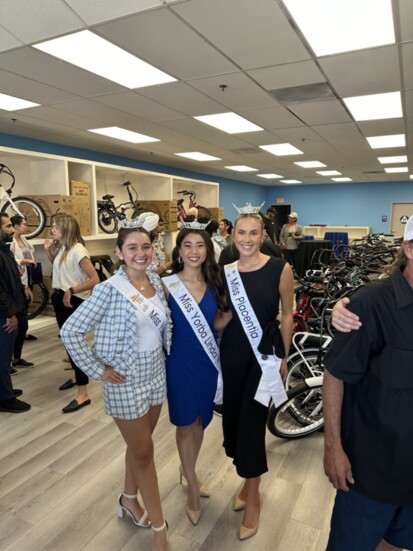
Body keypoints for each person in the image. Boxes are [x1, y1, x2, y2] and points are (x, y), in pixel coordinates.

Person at [61, 225, 171, 550]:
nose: (141, 253)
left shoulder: (157, 284)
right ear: (119, 253)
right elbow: (71, 331)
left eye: (146, 247)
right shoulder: (109, 289)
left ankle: (128, 499)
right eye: (133, 247)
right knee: (144, 452)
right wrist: (98, 370)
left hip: (155, 373)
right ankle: (160, 528)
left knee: (140, 447)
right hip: (124, 379)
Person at [323, 215, 413, 551]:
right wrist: (333, 447)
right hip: (370, 473)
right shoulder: (370, 303)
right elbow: (335, 374)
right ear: (408, 248)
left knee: (395, 544)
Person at [218, 206, 294, 540]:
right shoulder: (226, 270)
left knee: (251, 425)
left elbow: (288, 315)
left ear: (263, 236)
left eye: (253, 233)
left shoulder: (280, 267)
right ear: (232, 236)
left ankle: (254, 498)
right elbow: (222, 316)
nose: (247, 239)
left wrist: (285, 357)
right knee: (233, 422)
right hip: (233, 352)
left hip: (264, 355)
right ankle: (248, 486)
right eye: (241, 233)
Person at [162, 222, 227, 525]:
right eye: (187, 245)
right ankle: (191, 484)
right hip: (179, 362)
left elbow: (218, 321)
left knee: (200, 420)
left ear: (208, 250)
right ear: (178, 251)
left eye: (200, 245)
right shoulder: (166, 284)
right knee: (185, 424)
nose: (193, 251)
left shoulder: (216, 283)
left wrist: (226, 318)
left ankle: (188, 470)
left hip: (206, 363)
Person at [44, 213, 100, 413]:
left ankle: (83, 394)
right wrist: (49, 252)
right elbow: (63, 271)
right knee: (67, 341)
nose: (52, 230)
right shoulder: (64, 249)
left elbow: (95, 279)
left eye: (55, 226)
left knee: (74, 344)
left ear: (65, 228)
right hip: (61, 298)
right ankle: (77, 376)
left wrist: (71, 291)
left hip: (72, 300)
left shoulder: (78, 250)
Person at [0, 213, 31, 413]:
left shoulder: (4, 250)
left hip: (10, 309)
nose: (12, 230)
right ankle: (4, 398)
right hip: (4, 315)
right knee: (2, 358)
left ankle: (5, 390)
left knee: (4, 356)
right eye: (8, 226)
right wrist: (10, 313)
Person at [9, 215, 36, 368]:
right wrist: (23, 261)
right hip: (16, 285)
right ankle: (10, 360)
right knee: (17, 326)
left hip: (25, 283)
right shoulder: (10, 242)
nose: (26, 227)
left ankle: (17, 358)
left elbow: (29, 252)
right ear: (15, 226)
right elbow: (11, 260)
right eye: (24, 224)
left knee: (23, 325)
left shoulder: (24, 240)